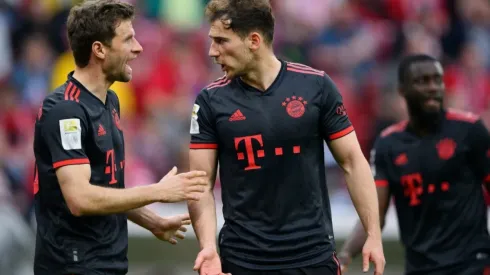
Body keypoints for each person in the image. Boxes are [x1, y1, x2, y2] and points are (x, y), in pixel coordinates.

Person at [187, 0, 386, 275]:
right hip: (243, 259)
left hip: (311, 255)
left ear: (254, 40)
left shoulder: (316, 86)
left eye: (221, 41)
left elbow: (353, 162)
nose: (212, 51)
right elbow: (200, 184)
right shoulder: (210, 101)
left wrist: (373, 234)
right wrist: (207, 245)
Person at [32, 1, 209, 274]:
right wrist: (157, 192)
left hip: (108, 261)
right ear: (99, 50)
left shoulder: (110, 101)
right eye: (128, 39)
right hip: (73, 266)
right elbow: (80, 199)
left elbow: (106, 189)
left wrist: (152, 222)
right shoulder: (65, 111)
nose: (138, 48)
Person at [338, 54, 490, 275]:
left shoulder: (470, 130)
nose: (433, 87)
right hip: (421, 268)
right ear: (402, 90)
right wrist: (345, 254)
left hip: (473, 264)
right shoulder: (388, 145)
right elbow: (374, 215)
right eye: (422, 81)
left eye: (437, 80)